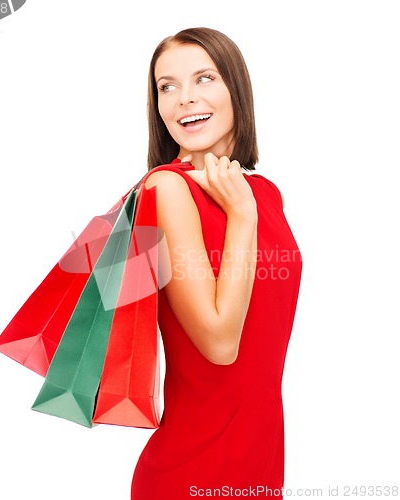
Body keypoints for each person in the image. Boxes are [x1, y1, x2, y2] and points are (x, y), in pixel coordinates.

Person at [130, 27, 302, 500]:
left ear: (235, 88)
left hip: (262, 464)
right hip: (192, 469)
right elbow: (220, 342)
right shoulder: (166, 189)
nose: (185, 99)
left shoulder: (266, 194)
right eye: (167, 86)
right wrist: (240, 215)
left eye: (203, 78)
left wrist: (247, 203)